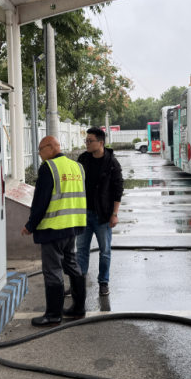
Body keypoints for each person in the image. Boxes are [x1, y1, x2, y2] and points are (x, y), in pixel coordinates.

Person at [21, 136, 87, 325]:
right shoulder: (77, 167)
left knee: (52, 270)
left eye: (40, 150)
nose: (39, 154)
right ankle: (78, 309)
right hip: (72, 225)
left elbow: (40, 201)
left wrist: (30, 225)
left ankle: (53, 315)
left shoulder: (49, 167)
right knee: (72, 264)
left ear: (51, 147)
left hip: (53, 228)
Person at [74, 127, 123, 297]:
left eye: (90, 141)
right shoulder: (83, 160)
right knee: (81, 250)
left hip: (103, 215)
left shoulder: (112, 163)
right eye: (86, 141)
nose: (87, 144)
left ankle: (103, 282)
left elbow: (117, 189)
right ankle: (78, 284)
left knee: (105, 250)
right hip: (83, 214)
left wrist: (114, 214)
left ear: (101, 143)